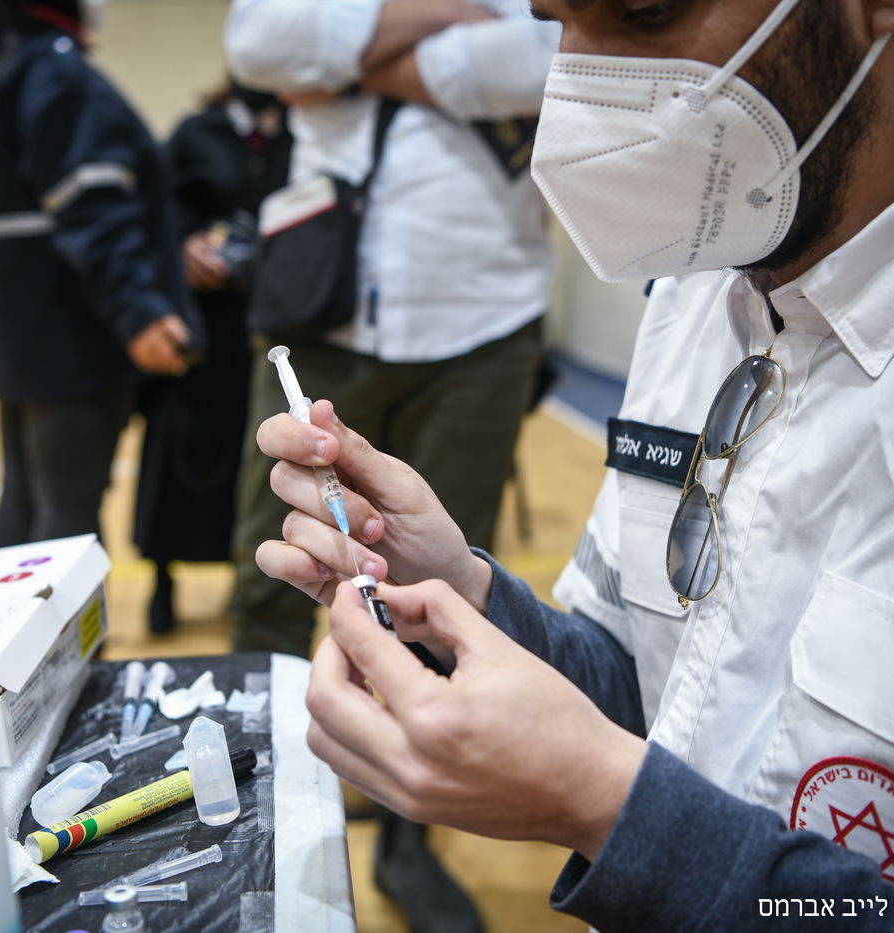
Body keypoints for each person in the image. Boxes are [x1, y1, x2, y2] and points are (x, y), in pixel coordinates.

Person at [252, 0, 894, 928]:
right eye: (553, 21)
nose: (574, 85)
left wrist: (609, 808)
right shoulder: (703, 290)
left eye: (641, 14)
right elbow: (651, 687)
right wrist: (466, 592)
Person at [224, 3, 563, 929]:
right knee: (270, 563)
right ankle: (241, 806)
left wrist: (349, 54)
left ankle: (413, 836)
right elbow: (256, 45)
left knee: (445, 586)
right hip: (321, 307)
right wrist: (440, 16)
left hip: (486, 306)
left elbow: (542, 61)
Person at [0, 0, 200, 549]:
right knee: (67, 515)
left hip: (17, 339)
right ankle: (68, 640)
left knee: (25, 501)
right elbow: (93, 206)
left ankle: (17, 635)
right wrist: (140, 311)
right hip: (68, 338)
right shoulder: (55, 73)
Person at [132, 81, 293, 635]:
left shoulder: (301, 134)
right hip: (199, 328)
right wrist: (182, 251)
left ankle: (245, 577)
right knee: (173, 459)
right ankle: (161, 578)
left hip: (268, 329)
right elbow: (154, 211)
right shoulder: (194, 133)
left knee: (256, 463)